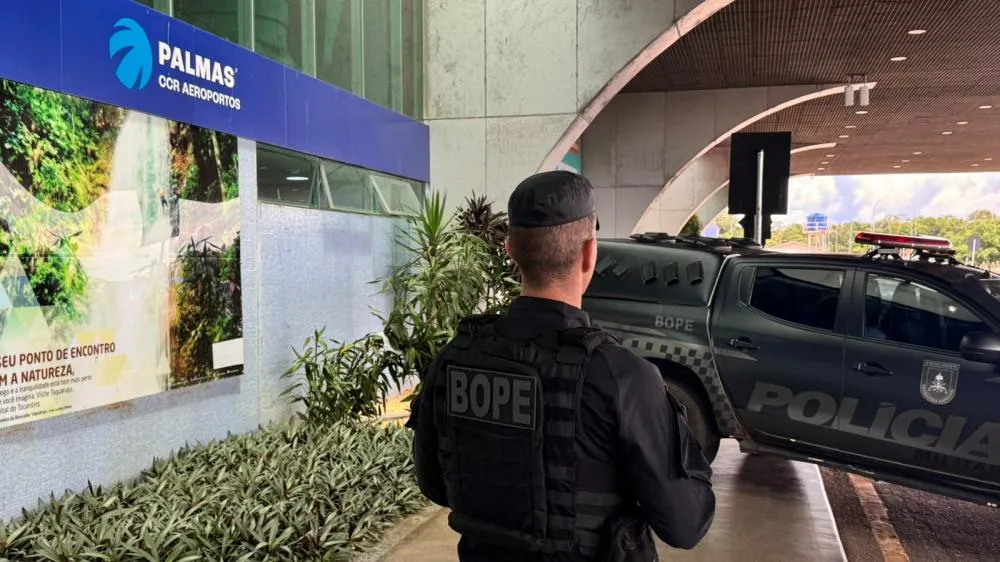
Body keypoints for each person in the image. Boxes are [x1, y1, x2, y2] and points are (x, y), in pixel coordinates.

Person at [407, 170, 715, 562]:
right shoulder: (621, 377)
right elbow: (685, 523)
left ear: (510, 250)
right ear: (590, 253)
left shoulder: (455, 358)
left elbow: (434, 484)